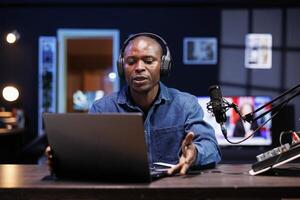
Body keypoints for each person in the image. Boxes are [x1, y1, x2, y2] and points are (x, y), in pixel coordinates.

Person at [46, 32, 221, 175]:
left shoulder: (185, 104)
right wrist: (63, 158)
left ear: (163, 66)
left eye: (149, 61)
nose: (139, 67)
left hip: (171, 189)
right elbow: (86, 153)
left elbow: (211, 146)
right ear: (122, 67)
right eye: (131, 61)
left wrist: (195, 153)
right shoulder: (103, 108)